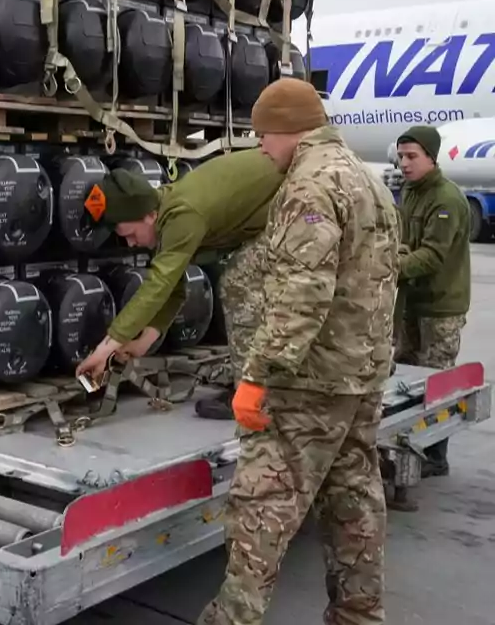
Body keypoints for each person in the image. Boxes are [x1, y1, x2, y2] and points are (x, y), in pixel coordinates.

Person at [196, 78, 400, 625]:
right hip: (362, 373)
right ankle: (359, 614)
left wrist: (258, 373)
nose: (261, 147)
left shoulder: (311, 185)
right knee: (354, 499)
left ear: (288, 130)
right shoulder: (368, 178)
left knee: (261, 506)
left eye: (263, 135)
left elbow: (303, 290)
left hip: (310, 381)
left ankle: (233, 619)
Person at [74, 149, 282, 419]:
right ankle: (259, 380)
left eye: (129, 233)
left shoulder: (182, 215)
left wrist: (105, 349)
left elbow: (158, 285)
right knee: (239, 279)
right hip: (275, 211)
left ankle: (254, 394)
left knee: (238, 284)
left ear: (148, 215)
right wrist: (141, 344)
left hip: (297, 202)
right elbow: (172, 289)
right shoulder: (165, 214)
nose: (130, 243)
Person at [391, 125, 471, 487]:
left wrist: (388, 266)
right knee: (407, 379)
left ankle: (435, 456)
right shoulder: (409, 192)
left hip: (440, 307)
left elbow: (433, 256)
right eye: (401, 156)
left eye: (412, 157)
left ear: (431, 157)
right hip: (412, 301)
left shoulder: (446, 198)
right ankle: (409, 447)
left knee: (436, 382)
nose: (404, 164)